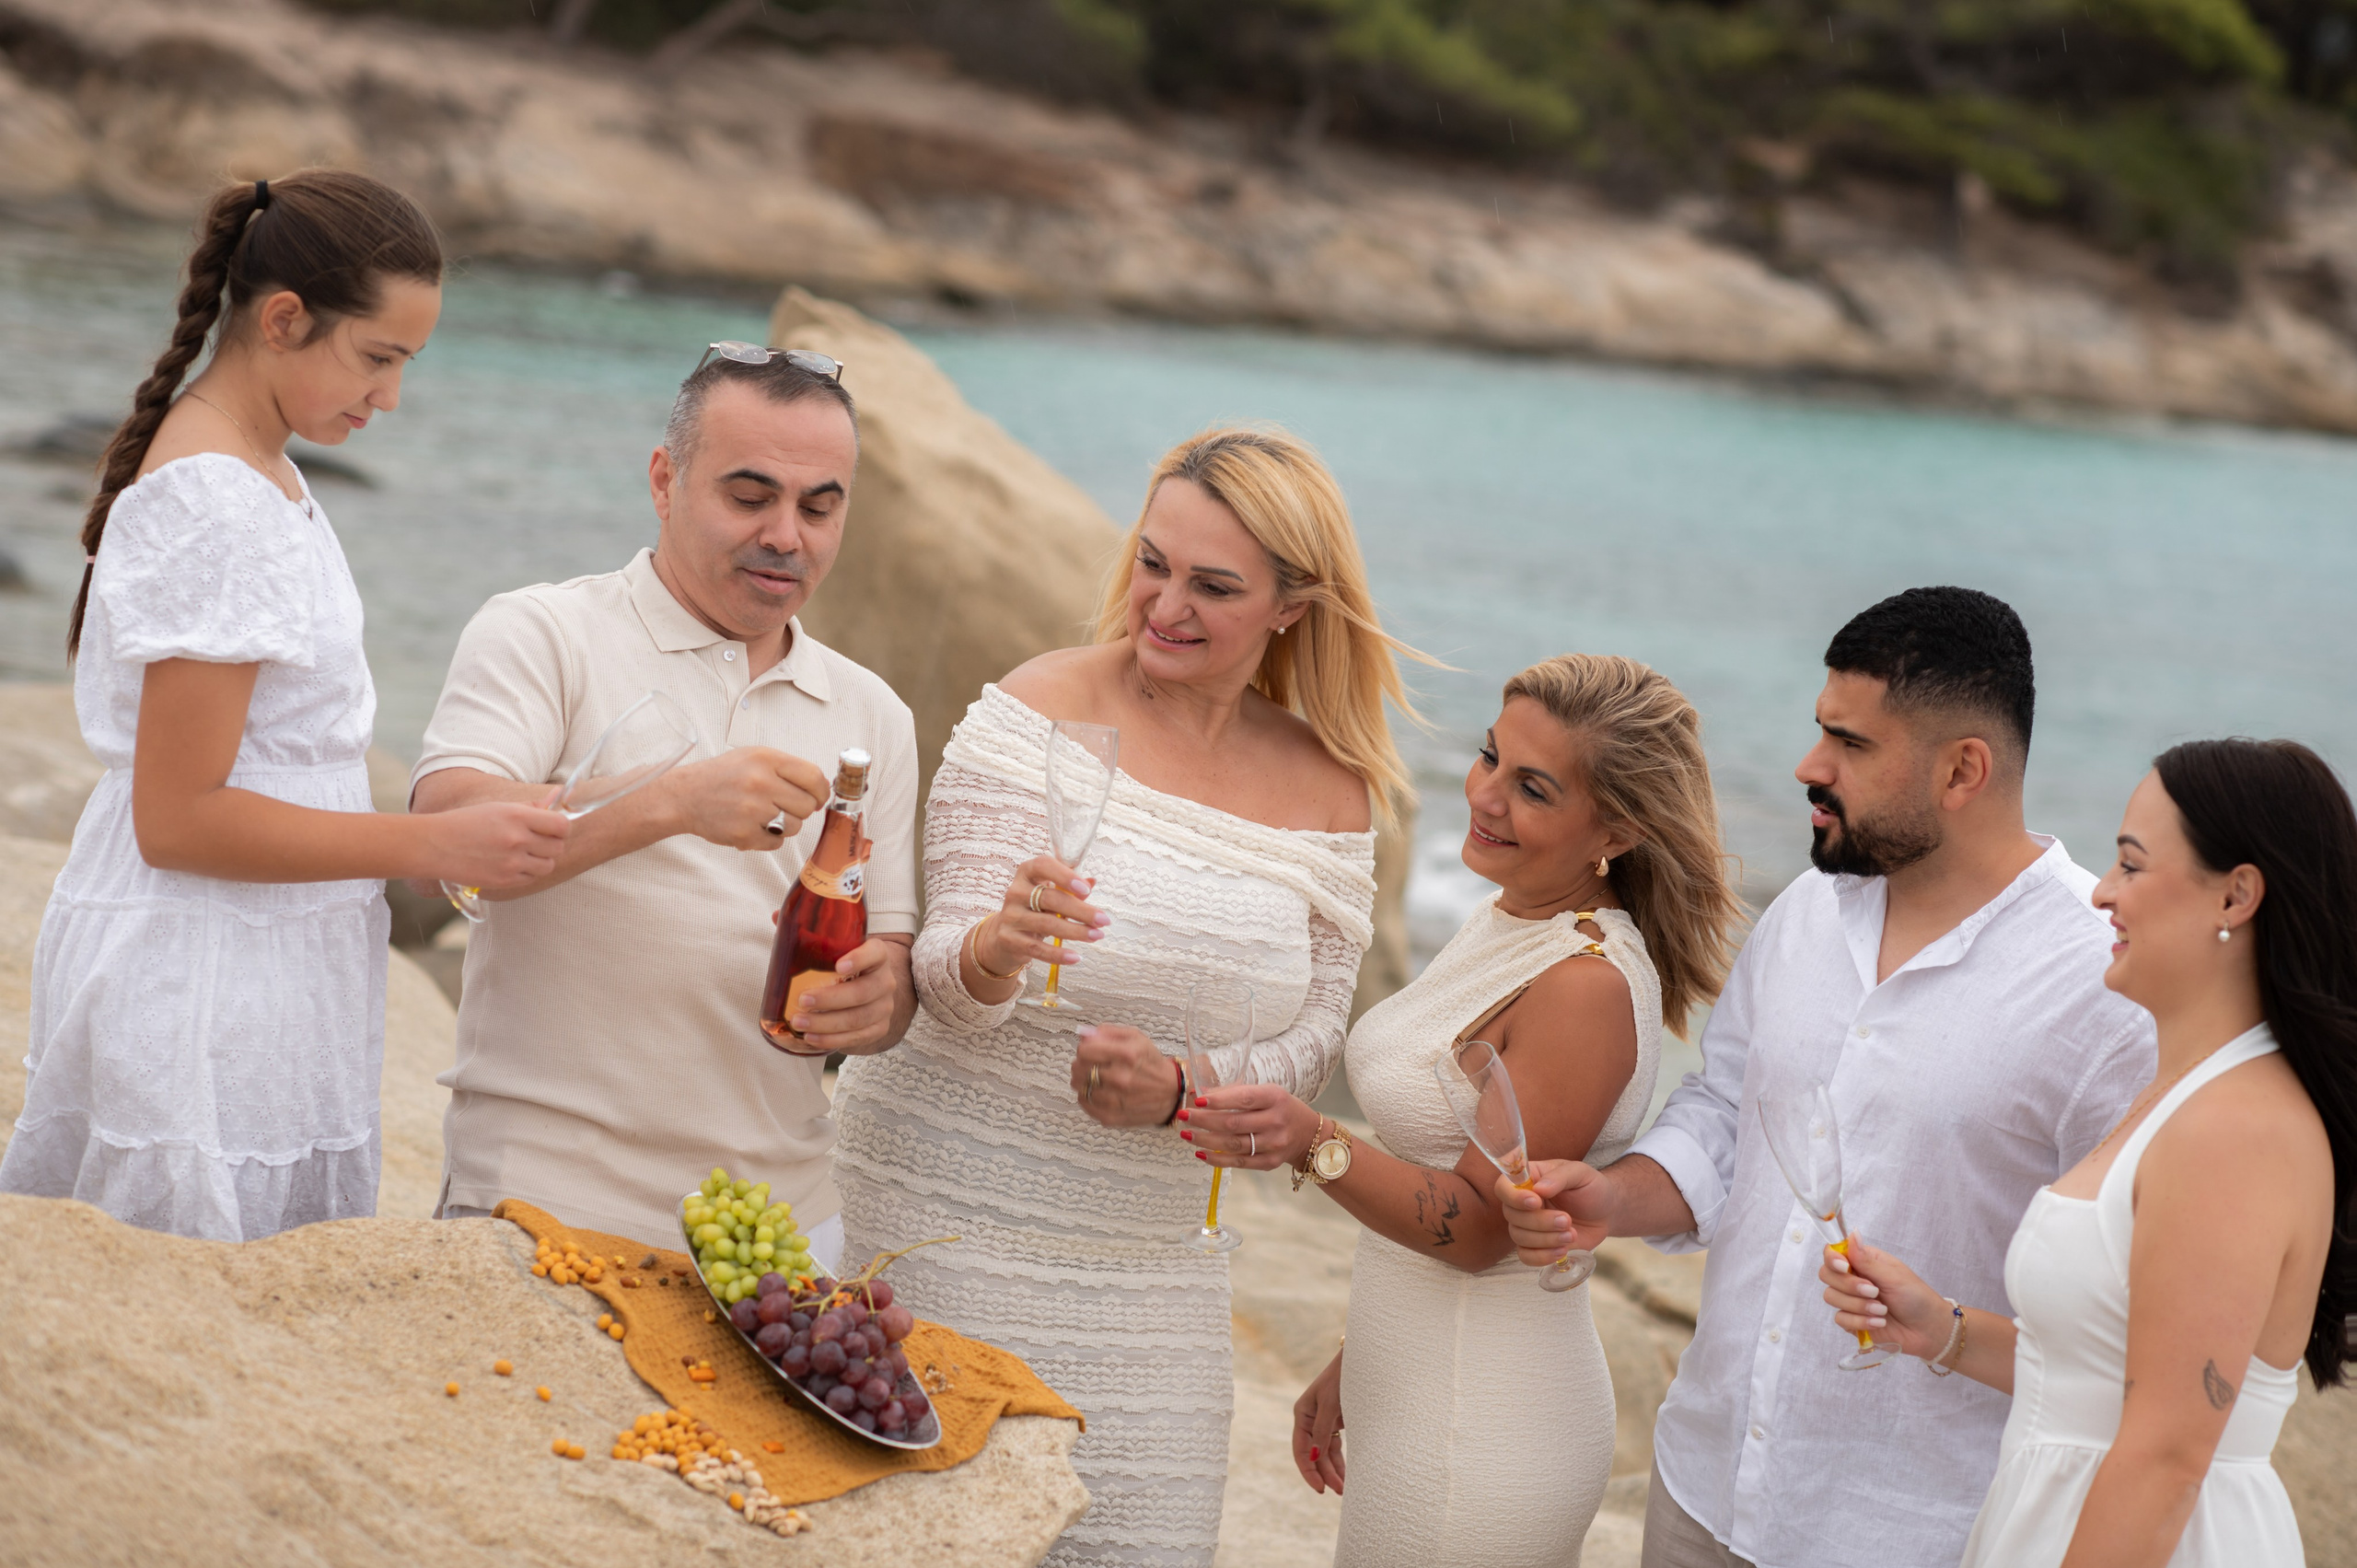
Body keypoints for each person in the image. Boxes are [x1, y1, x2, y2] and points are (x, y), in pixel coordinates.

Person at [830, 426, 1422, 1568]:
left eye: (1213, 585)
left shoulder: (1335, 791)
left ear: (1292, 605)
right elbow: (944, 980)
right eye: (1153, 563)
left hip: (1152, 1266)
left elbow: (1312, 1042)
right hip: (941, 1219)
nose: (1165, 605)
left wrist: (1184, 1091)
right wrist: (1004, 941)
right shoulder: (1037, 706)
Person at [1499, 587, 2156, 1568]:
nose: (1809, 766)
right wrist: (1612, 1193)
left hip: (1915, 1529)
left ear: (1962, 769)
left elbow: (2126, 1301)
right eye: (1819, 731)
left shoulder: (2103, 984)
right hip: (1705, 1485)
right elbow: (1725, 1110)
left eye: (1848, 743)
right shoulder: (1806, 911)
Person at [0, 171, 570, 1241]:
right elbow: (178, 819)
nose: (392, 395)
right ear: (282, 319)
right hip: (205, 958)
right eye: (378, 356)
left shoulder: (256, 466)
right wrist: (432, 838)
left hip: (256, 943)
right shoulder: (217, 499)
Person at [1195, 654, 1741, 1567]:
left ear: (1617, 825)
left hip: (1483, 1426)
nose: (1484, 794)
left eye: (1530, 786)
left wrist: (1312, 1137)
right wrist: (1357, 1356)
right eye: (1490, 757)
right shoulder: (1514, 918)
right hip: (1422, 1386)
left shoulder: (1583, 986)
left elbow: (1484, 1227)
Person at [409, 343, 920, 1261]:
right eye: (749, 495)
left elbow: (892, 975)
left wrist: (879, 1000)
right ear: (663, 479)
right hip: (540, 1199)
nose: (786, 535)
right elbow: (447, 839)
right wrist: (673, 798)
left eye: (818, 506)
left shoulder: (873, 711)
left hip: (781, 1228)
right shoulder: (542, 630)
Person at [1817, 738, 2354, 1568]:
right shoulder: (2183, 1094)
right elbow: (2109, 1376)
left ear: (2238, 894)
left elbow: (2167, 1458)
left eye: (2132, 866)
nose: (2103, 892)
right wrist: (1943, 1328)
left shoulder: (2235, 1129)